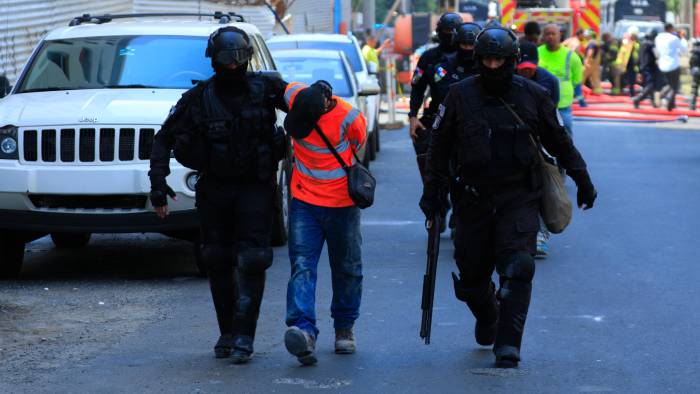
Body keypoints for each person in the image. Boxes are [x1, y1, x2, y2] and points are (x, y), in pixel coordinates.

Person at [420, 27, 597, 369]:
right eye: (486, 58)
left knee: (518, 267)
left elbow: (559, 141)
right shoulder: (458, 95)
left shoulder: (533, 95)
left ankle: (508, 343)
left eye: (499, 59)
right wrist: (433, 194)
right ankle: (489, 316)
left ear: (511, 61)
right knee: (471, 276)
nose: (492, 64)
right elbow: (438, 147)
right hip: (472, 198)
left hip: (519, 196)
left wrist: (583, 179)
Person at [148, 26, 289, 364]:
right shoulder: (198, 99)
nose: (231, 67)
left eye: (235, 61)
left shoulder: (267, 89)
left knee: (253, 259)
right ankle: (228, 332)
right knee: (216, 258)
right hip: (216, 189)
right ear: (214, 62)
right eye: (226, 62)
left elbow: (304, 104)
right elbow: (163, 138)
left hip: (256, 188)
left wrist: (318, 97)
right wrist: (158, 184)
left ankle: (244, 335)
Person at [282, 81, 367, 366]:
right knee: (302, 266)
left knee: (347, 268)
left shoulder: (349, 117)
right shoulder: (295, 95)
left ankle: (344, 328)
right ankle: (303, 331)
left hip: (343, 205)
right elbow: (274, 83)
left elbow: (358, 146)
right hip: (304, 202)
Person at [516, 40, 560, 258]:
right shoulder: (502, 80)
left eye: (529, 69)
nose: (525, 73)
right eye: (520, 69)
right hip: (510, 144)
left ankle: (540, 235)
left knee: (539, 188)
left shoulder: (548, 81)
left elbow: (553, 118)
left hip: (537, 145)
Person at [408, 12, 463, 180]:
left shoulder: (472, 57)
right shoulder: (429, 58)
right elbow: (417, 88)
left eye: (454, 31)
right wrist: (412, 116)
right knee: (432, 173)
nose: (451, 35)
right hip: (438, 117)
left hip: (467, 119)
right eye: (447, 30)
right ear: (439, 32)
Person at [538, 24, 583, 137]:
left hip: (563, 104)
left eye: (553, 34)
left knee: (565, 132)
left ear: (560, 35)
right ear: (543, 36)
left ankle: (567, 154)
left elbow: (577, 78)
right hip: (540, 103)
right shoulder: (537, 52)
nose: (550, 37)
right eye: (547, 34)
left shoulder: (570, 56)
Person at [656, 23, 688, 111]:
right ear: (670, 29)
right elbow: (684, 49)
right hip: (673, 65)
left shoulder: (658, 37)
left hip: (662, 65)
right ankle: (667, 102)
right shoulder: (674, 38)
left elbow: (657, 51)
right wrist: (682, 37)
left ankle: (664, 96)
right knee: (674, 87)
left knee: (668, 84)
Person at [633, 30, 661, 108]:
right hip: (650, 68)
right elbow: (657, 55)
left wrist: (639, 70)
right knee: (650, 85)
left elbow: (639, 58)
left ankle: (653, 103)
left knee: (650, 85)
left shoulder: (642, 44)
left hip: (643, 68)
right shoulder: (651, 45)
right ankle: (638, 99)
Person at [613, 28, 639, 97]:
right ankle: (618, 91)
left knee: (629, 79)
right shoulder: (628, 42)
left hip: (628, 64)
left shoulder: (632, 43)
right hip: (623, 63)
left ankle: (627, 91)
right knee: (620, 79)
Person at [688, 39, 700, 110]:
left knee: (694, 89)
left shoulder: (693, 53)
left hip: (695, 72)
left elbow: (690, 64)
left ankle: (692, 106)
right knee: (694, 89)